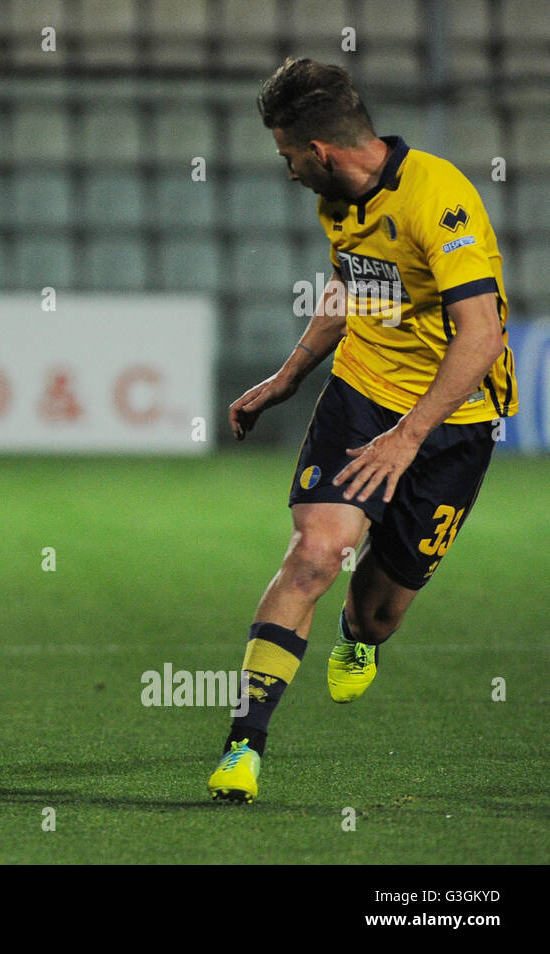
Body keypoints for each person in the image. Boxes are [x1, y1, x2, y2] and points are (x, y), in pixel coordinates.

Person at [208, 58, 518, 803]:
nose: (284, 170)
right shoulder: (339, 201)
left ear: (319, 151)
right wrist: (287, 378)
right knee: (316, 553)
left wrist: (409, 438)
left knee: (377, 616)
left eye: (286, 155)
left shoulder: (437, 200)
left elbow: (479, 338)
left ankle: (355, 638)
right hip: (363, 394)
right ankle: (244, 747)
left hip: (453, 421)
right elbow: (356, 291)